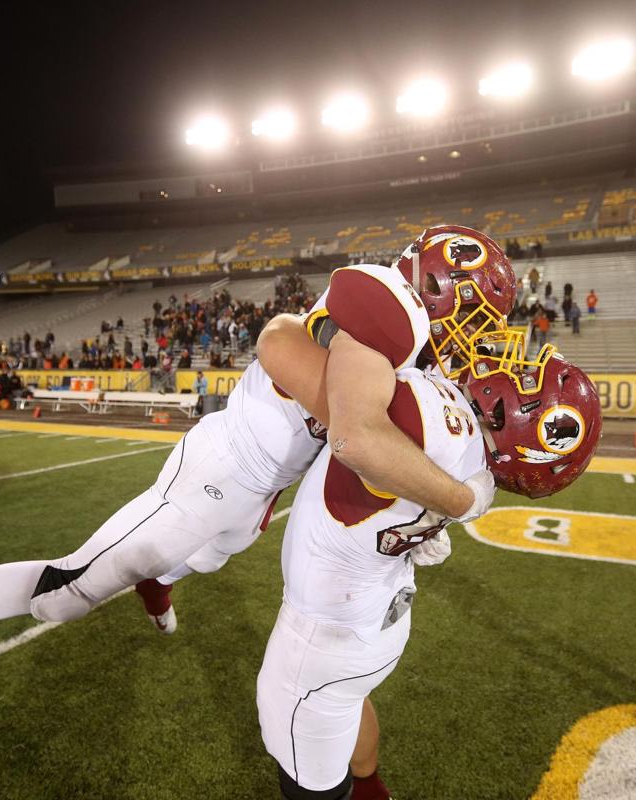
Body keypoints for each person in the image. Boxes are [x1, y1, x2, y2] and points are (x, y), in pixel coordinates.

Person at [0, 225, 517, 742]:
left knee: (203, 554)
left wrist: (413, 497)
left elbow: (352, 433)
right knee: (65, 595)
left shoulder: (407, 342)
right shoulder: (390, 304)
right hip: (224, 467)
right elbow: (356, 435)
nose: (480, 333)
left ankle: (158, 577)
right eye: (479, 311)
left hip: (261, 490)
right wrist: (449, 495)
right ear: (437, 285)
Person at [255, 338, 602, 800]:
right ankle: (373, 790)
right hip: (378, 623)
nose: (511, 364)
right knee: (347, 702)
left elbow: (279, 346)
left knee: (307, 777)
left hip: (324, 633)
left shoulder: (428, 415)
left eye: (525, 382)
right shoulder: (473, 462)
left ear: (518, 419)